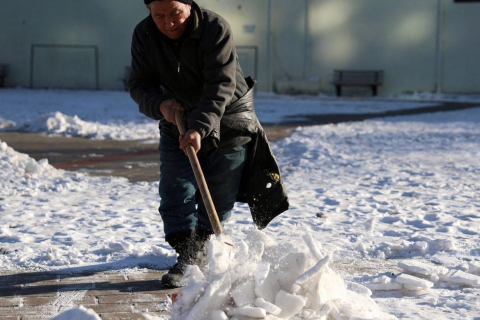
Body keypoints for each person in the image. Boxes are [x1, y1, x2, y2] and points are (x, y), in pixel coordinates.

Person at [127, 0, 288, 288]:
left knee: (218, 192)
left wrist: (200, 126)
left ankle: (202, 251)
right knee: (175, 189)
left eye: (175, 13)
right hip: (176, 118)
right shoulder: (144, 34)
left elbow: (221, 85)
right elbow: (139, 83)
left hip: (230, 118)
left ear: (188, 6)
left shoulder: (214, 28)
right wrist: (159, 104)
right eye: (158, 15)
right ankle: (189, 256)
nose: (168, 22)